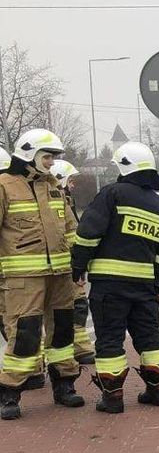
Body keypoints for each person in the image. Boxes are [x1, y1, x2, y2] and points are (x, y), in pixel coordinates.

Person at [73, 142, 159, 413]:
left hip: (109, 286)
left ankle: (113, 399)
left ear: (123, 167)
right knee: (150, 337)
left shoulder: (112, 194)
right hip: (144, 287)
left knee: (109, 339)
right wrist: (158, 284)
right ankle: (158, 392)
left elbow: (88, 233)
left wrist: (78, 266)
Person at [0, 129, 84, 420]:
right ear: (28, 156)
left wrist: (79, 265)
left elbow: (71, 230)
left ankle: (65, 385)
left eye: (51, 158)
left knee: (62, 330)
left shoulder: (52, 187)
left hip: (60, 275)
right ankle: (10, 393)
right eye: (46, 157)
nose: (50, 163)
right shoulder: (4, 186)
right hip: (24, 278)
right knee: (25, 333)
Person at [50, 160, 95, 368]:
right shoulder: (56, 202)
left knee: (77, 308)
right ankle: (75, 351)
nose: (73, 185)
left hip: (69, 264)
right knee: (69, 310)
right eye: (70, 181)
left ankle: (81, 348)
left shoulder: (66, 201)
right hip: (62, 267)